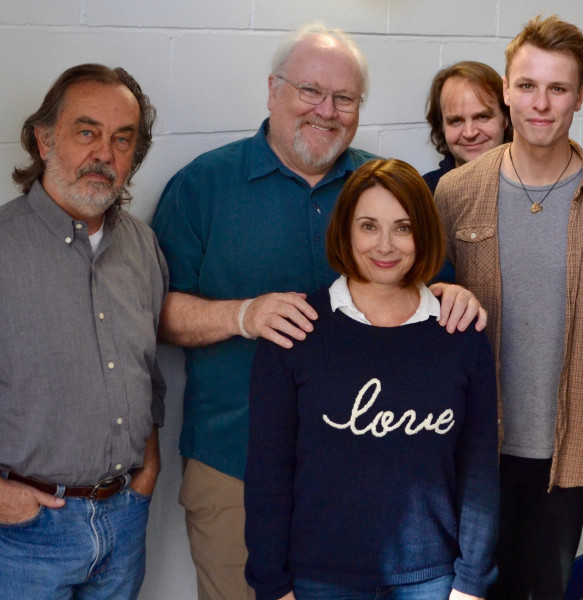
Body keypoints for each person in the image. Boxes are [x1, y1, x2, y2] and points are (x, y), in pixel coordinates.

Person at [152, 22, 487, 600]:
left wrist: (454, 294)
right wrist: (242, 316)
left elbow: (430, 287)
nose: (326, 111)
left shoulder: (384, 186)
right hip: (235, 465)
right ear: (272, 90)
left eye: (345, 98)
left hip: (373, 485)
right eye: (310, 91)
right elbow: (155, 314)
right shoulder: (202, 187)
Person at [435, 15, 583, 599]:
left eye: (558, 88)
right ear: (506, 90)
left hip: (568, 453)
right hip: (470, 445)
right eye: (527, 85)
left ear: (580, 96)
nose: (541, 104)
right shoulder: (455, 194)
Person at [245, 158, 499, 600]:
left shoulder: (459, 333)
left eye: (403, 227)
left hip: (433, 580)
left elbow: (479, 470)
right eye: (368, 226)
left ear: (424, 233)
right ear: (345, 230)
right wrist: (272, 584)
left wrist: (471, 584)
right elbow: (269, 471)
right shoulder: (296, 333)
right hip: (317, 579)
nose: (385, 245)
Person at [0, 64, 166, 599]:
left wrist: (148, 467)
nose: (105, 154)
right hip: (22, 535)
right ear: (43, 139)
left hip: (125, 522)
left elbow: (147, 366)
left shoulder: (141, 245)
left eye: (123, 139)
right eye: (87, 131)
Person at [423, 61, 512, 192]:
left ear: (505, 119)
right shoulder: (423, 194)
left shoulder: (531, 187)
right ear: (442, 126)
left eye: (482, 117)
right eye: (456, 121)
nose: (470, 133)